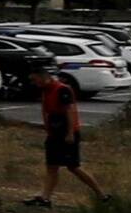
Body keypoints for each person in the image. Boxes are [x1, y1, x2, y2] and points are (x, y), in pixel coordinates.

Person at [39, 62, 97, 202]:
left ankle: (100, 194)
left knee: (73, 167)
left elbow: (70, 111)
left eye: (36, 80)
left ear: (45, 77)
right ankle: (45, 198)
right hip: (54, 132)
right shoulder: (45, 91)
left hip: (66, 132)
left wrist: (70, 132)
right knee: (52, 166)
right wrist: (47, 128)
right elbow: (45, 110)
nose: (35, 83)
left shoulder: (62, 90)